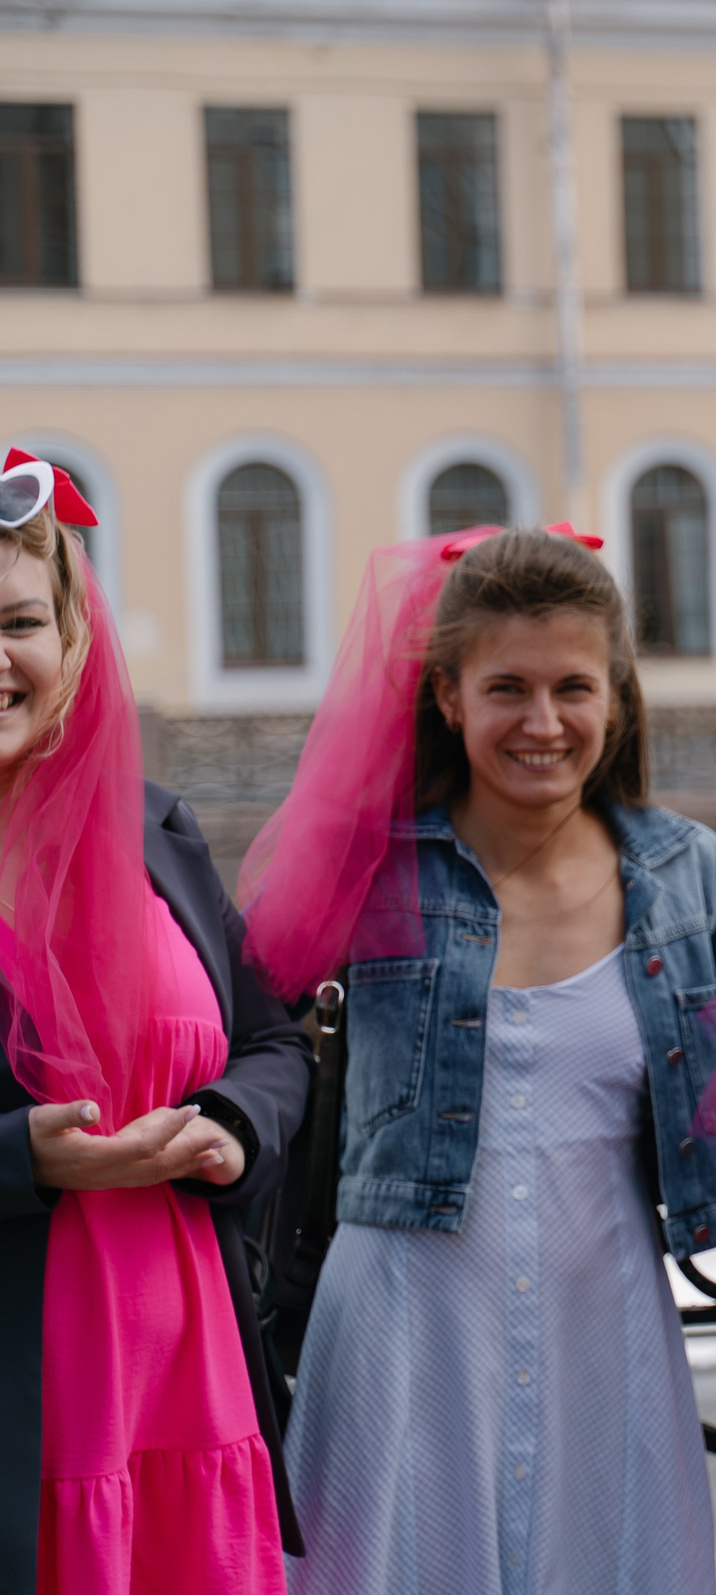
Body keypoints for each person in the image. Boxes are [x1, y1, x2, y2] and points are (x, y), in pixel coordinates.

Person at [244, 527, 716, 1595]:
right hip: (400, 1342)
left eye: (572, 687)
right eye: (506, 689)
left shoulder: (684, 873)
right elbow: (242, 1050)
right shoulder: (366, 872)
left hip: (607, 1340)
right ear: (448, 697)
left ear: (615, 695)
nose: (543, 723)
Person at [0, 451, 309, 1594]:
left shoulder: (153, 828)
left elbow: (274, 1042)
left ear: (73, 640)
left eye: (19, 621)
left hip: (196, 1383)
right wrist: (23, 1158)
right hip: (30, 1418)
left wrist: (230, 1122)